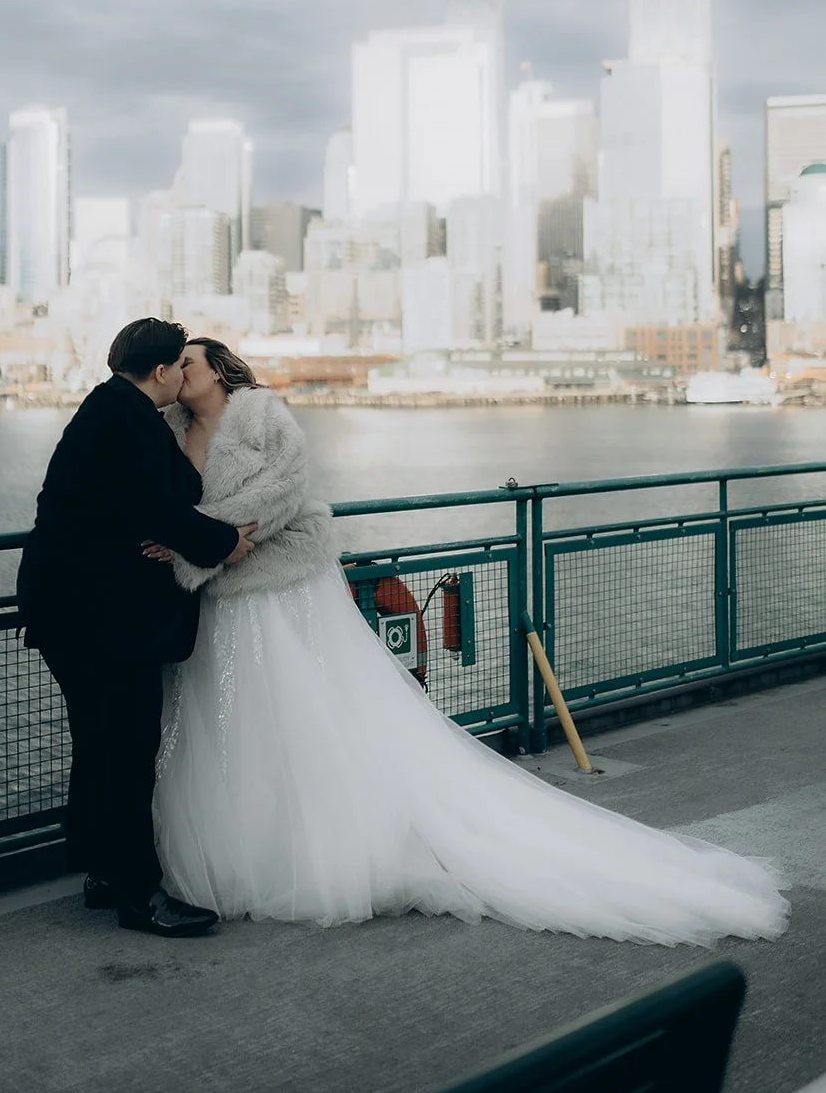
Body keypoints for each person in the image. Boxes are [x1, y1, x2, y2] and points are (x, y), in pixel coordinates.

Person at [147, 338, 791, 946]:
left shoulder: (260, 413)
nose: (182, 370)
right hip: (220, 597)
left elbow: (281, 493)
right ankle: (261, 843)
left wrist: (192, 547)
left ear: (221, 369)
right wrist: (193, 545)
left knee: (305, 712)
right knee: (244, 724)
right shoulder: (171, 433)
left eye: (191, 361)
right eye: (176, 363)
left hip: (277, 585)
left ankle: (327, 847)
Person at [16, 318, 257, 938]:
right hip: (101, 617)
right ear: (161, 372)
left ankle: (101, 870)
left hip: (73, 611)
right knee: (127, 751)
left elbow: (149, 505)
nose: (184, 374)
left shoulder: (109, 408)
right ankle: (141, 896)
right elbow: (166, 509)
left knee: (99, 744)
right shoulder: (132, 422)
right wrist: (225, 542)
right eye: (181, 365)